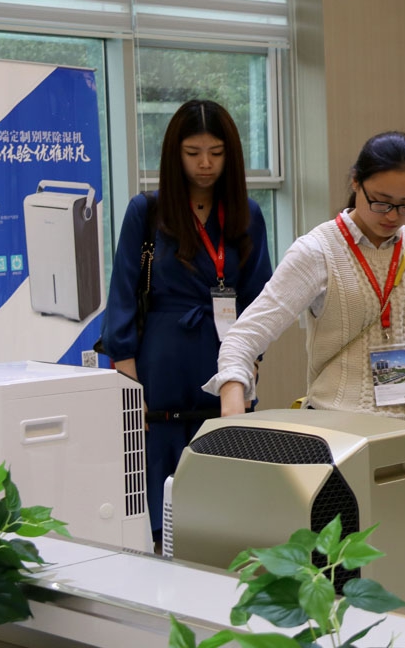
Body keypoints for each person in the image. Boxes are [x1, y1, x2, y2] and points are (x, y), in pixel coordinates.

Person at [99, 99, 273, 546]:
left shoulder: (248, 215)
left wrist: (251, 362)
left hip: (225, 358)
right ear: (174, 154)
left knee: (225, 472)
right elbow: (122, 292)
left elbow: (260, 300)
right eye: (193, 152)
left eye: (216, 152)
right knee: (158, 474)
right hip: (161, 361)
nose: (205, 164)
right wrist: (127, 382)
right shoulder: (147, 211)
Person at [206, 131, 405, 422]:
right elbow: (244, 336)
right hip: (339, 431)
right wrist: (233, 403)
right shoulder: (318, 251)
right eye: (381, 201)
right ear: (355, 182)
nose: (392, 216)